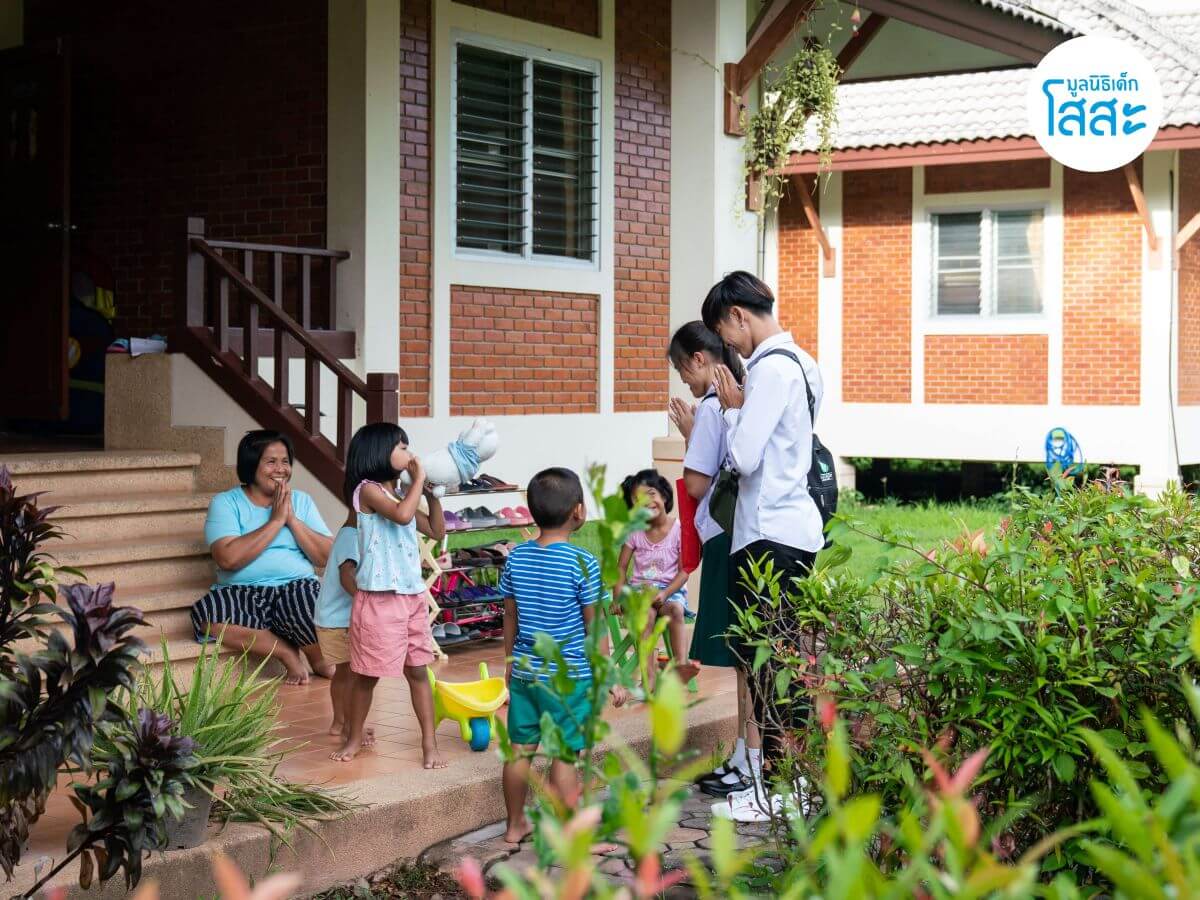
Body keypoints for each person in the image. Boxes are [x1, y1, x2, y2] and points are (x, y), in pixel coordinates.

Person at [702, 271, 825, 824]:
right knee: (782, 660)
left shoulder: (771, 369)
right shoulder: (805, 362)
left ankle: (779, 792)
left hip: (767, 534)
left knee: (769, 664)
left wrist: (731, 411)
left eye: (726, 336)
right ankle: (787, 785)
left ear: (737, 316)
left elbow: (745, 458)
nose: (730, 348)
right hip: (795, 530)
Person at [500, 467, 627, 845]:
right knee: (566, 753)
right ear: (578, 511)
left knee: (520, 750)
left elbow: (510, 616)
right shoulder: (582, 562)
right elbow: (595, 627)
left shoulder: (515, 558)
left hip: (525, 672)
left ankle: (514, 825)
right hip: (569, 677)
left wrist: (510, 664)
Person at [666, 320, 754, 798]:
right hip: (749, 531)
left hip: (724, 535)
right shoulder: (741, 394)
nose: (686, 380)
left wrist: (691, 433)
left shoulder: (714, 407)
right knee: (748, 654)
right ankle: (745, 754)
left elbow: (699, 484)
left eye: (684, 369)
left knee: (743, 656)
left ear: (700, 358)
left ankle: (747, 761)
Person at [333, 423, 447, 767]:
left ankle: (430, 744)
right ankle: (354, 738)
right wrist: (417, 481)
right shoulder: (366, 491)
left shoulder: (401, 495)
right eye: (401, 447)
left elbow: (437, 530)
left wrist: (429, 492)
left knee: (419, 672)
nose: (408, 453)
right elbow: (401, 517)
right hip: (379, 599)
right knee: (367, 675)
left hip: (411, 597)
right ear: (377, 453)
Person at [191, 430, 334, 685]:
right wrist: (276, 521)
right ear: (251, 465)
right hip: (242, 592)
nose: (280, 469)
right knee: (207, 615)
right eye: (271, 462)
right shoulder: (226, 503)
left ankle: (319, 658)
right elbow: (228, 558)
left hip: (295, 589)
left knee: (305, 600)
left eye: (285, 461)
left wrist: (291, 519)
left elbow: (325, 557)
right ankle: (285, 652)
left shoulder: (300, 501)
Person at [614, 469, 698, 686]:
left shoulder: (679, 530)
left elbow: (684, 571)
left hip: (670, 591)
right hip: (640, 592)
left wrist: (665, 593)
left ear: (664, 496)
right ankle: (648, 677)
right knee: (646, 615)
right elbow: (621, 567)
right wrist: (617, 597)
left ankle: (681, 665)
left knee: (676, 610)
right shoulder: (635, 532)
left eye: (651, 494)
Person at [314, 513, 376, 752]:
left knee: (344, 673)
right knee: (350, 674)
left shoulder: (351, 532)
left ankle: (341, 722)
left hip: (335, 617)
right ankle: (349, 726)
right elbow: (346, 575)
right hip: (339, 619)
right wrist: (369, 603)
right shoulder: (352, 535)